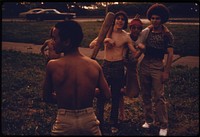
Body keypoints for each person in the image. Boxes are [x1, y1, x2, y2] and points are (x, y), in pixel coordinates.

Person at [42, 20, 111, 136]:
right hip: (89, 119)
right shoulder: (94, 65)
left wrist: (64, 97)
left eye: (54, 38)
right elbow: (107, 95)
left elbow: (47, 97)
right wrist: (90, 93)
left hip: (64, 121)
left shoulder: (52, 65)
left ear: (67, 41)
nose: (52, 42)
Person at [89, 11, 140, 133]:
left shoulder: (125, 36)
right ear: (114, 20)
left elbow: (134, 52)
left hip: (118, 67)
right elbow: (91, 45)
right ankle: (99, 121)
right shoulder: (107, 32)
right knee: (101, 95)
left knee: (116, 96)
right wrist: (105, 40)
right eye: (118, 18)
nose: (120, 21)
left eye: (123, 19)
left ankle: (114, 123)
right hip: (106, 66)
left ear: (125, 22)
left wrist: (141, 49)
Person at [139, 3, 174, 136]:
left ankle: (163, 124)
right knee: (146, 94)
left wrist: (166, 71)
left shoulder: (167, 34)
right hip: (144, 64)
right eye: (152, 18)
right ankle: (149, 120)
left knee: (159, 96)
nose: (154, 20)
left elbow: (170, 54)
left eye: (157, 18)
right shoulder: (147, 31)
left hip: (157, 65)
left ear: (163, 19)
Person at [119, 14, 145, 121]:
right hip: (123, 65)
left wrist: (141, 51)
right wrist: (123, 58)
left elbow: (135, 58)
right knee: (120, 90)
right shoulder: (127, 36)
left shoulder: (141, 39)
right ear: (130, 28)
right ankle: (122, 114)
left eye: (138, 28)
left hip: (132, 66)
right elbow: (123, 49)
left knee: (134, 90)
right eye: (133, 27)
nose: (135, 30)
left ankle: (144, 113)